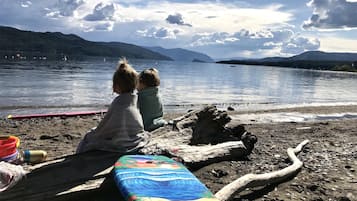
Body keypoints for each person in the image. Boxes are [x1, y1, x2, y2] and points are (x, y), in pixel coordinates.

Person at [76, 58, 148, 153]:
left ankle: (78, 156)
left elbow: (104, 129)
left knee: (88, 137)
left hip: (120, 143)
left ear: (117, 86)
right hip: (135, 138)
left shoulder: (119, 104)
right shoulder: (134, 101)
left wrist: (94, 133)